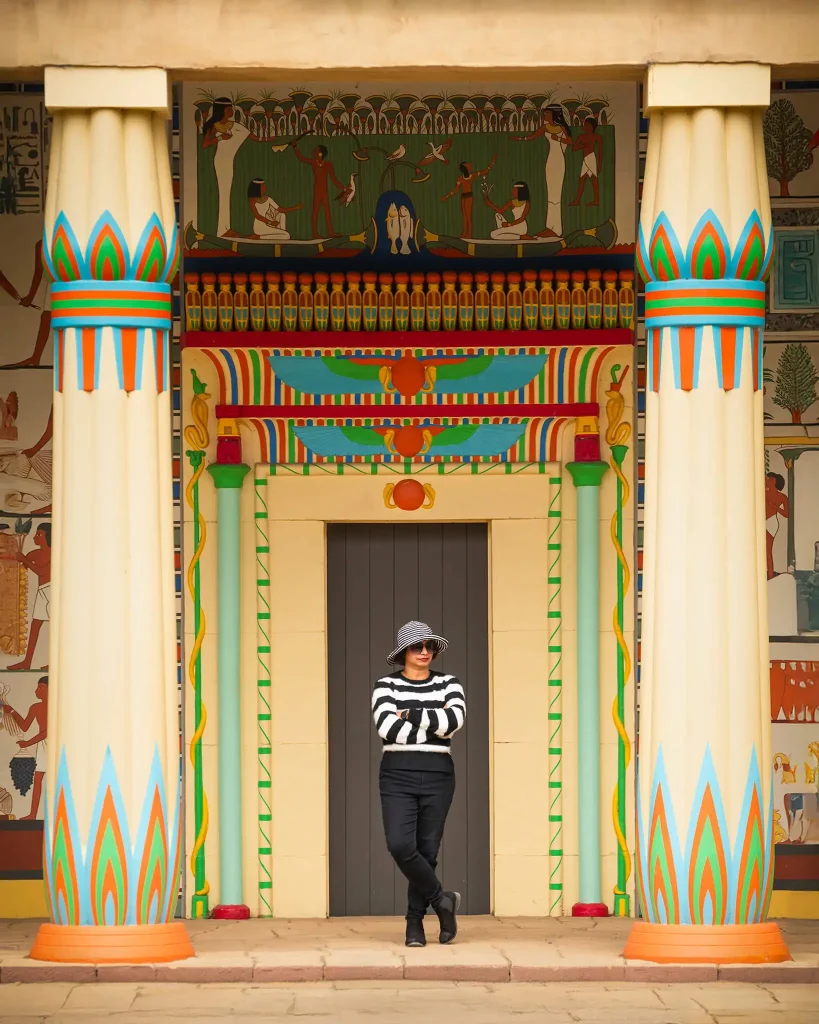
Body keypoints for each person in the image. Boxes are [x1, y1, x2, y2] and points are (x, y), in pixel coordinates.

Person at [373, 621, 466, 947]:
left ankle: (415, 925)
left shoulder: (449, 683)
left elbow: (453, 722)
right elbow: (388, 729)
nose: (425, 651)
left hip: (439, 774)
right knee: (400, 845)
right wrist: (431, 719)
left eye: (429, 646)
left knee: (427, 851)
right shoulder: (385, 685)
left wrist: (409, 712)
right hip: (397, 774)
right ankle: (442, 901)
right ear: (403, 653)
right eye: (418, 646)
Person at [512, 104, 571, 237]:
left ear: (554, 114)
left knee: (556, 194)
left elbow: (570, 141)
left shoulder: (561, 127)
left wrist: (559, 139)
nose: (545, 116)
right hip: (550, 162)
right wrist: (519, 139)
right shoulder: (545, 127)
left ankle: (556, 229)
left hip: (559, 162)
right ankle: (550, 227)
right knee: (550, 194)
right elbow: (532, 136)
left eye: (547, 114)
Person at [2, 523, 50, 669]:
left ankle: (56, 662)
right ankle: (27, 662)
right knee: (35, 626)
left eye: (39, 534)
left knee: (57, 629)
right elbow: (22, 563)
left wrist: (25, 560)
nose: (35, 536)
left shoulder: (55, 552)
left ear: (48, 536)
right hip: (42, 591)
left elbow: (42, 572)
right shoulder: (35, 553)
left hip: (52, 590)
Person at [1, 675, 47, 819]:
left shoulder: (57, 706)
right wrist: (12, 711)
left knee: (59, 778)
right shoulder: (35, 707)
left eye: (41, 688)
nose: (37, 691)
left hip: (55, 744)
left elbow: (48, 731)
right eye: (38, 687)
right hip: (43, 745)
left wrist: (27, 743)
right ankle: (33, 814)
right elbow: (25, 726)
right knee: (38, 778)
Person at [290, 142, 346, 238]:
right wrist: (295, 147)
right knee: (315, 212)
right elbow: (301, 158)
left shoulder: (328, 165)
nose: (314, 151)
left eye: (316, 150)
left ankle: (331, 232)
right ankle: (315, 233)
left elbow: (334, 180)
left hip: (324, 192)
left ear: (320, 153)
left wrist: (344, 188)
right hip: (317, 191)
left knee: (327, 212)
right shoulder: (313, 162)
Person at [440, 155, 497, 238]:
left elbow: (485, 171)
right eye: (468, 165)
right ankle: (464, 233)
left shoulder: (472, 176)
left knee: (468, 216)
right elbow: (456, 190)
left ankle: (469, 234)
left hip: (469, 197)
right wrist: (446, 196)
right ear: (465, 168)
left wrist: (492, 163)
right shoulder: (460, 178)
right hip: (463, 197)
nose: (470, 165)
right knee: (464, 216)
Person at [570, 116, 604, 207]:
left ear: (593, 127)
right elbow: (574, 148)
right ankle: (577, 200)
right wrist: (582, 146)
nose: (586, 127)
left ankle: (596, 200)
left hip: (591, 158)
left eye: (588, 125)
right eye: (585, 125)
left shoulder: (597, 137)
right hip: (585, 159)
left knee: (593, 179)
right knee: (582, 179)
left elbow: (601, 150)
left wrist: (600, 164)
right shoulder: (581, 137)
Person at [766, 471, 789, 580]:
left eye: (770, 480)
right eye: (767, 479)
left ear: (776, 483)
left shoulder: (782, 497)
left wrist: (776, 507)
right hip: (761, 521)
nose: (767, 481)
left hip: (770, 522)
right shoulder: (763, 492)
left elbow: (787, 514)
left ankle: (770, 575)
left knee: (767, 551)